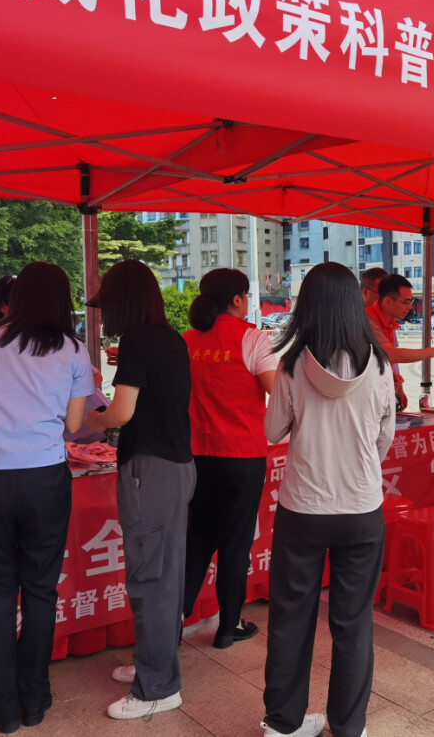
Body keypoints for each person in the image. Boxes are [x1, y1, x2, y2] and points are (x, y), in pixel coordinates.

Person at [0, 262, 94, 733]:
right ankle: (34, 699)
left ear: (16, 297)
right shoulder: (74, 349)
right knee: (39, 590)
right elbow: (74, 425)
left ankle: (1, 708)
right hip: (44, 477)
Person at [261, 262, 394, 737]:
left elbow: (273, 431)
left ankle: (282, 724)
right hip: (362, 508)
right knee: (353, 622)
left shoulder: (292, 365)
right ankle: (349, 727)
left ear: (307, 307)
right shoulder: (380, 365)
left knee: (290, 617)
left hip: (303, 509)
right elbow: (383, 438)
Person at [85, 260, 195, 720]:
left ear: (122, 303)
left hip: (150, 470)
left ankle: (158, 687)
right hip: (177, 466)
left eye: (107, 305)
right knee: (164, 574)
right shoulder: (171, 338)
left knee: (151, 579)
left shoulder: (136, 340)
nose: (104, 314)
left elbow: (122, 412)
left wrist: (91, 419)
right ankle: (154, 662)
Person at [183, 268, 277, 648]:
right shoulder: (253, 338)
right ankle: (229, 625)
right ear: (238, 299)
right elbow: (276, 392)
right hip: (242, 455)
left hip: (198, 455)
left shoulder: (187, 340)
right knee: (235, 543)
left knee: (198, 538)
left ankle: (172, 619)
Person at [366, 273, 434, 411]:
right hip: (366, 399)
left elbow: (379, 360)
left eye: (411, 302)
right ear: (388, 301)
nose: (410, 307)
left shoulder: (389, 323)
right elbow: (390, 354)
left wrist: (395, 381)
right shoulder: (368, 319)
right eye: (405, 302)